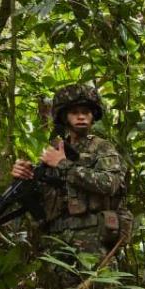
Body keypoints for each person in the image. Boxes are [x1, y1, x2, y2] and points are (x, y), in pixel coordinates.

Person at [10, 83, 130, 259]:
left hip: (93, 238)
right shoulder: (56, 149)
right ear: (65, 117)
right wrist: (25, 176)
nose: (81, 116)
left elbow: (110, 184)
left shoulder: (102, 147)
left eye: (86, 112)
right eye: (74, 112)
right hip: (56, 240)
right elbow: (43, 197)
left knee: (96, 278)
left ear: (93, 115)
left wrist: (63, 165)